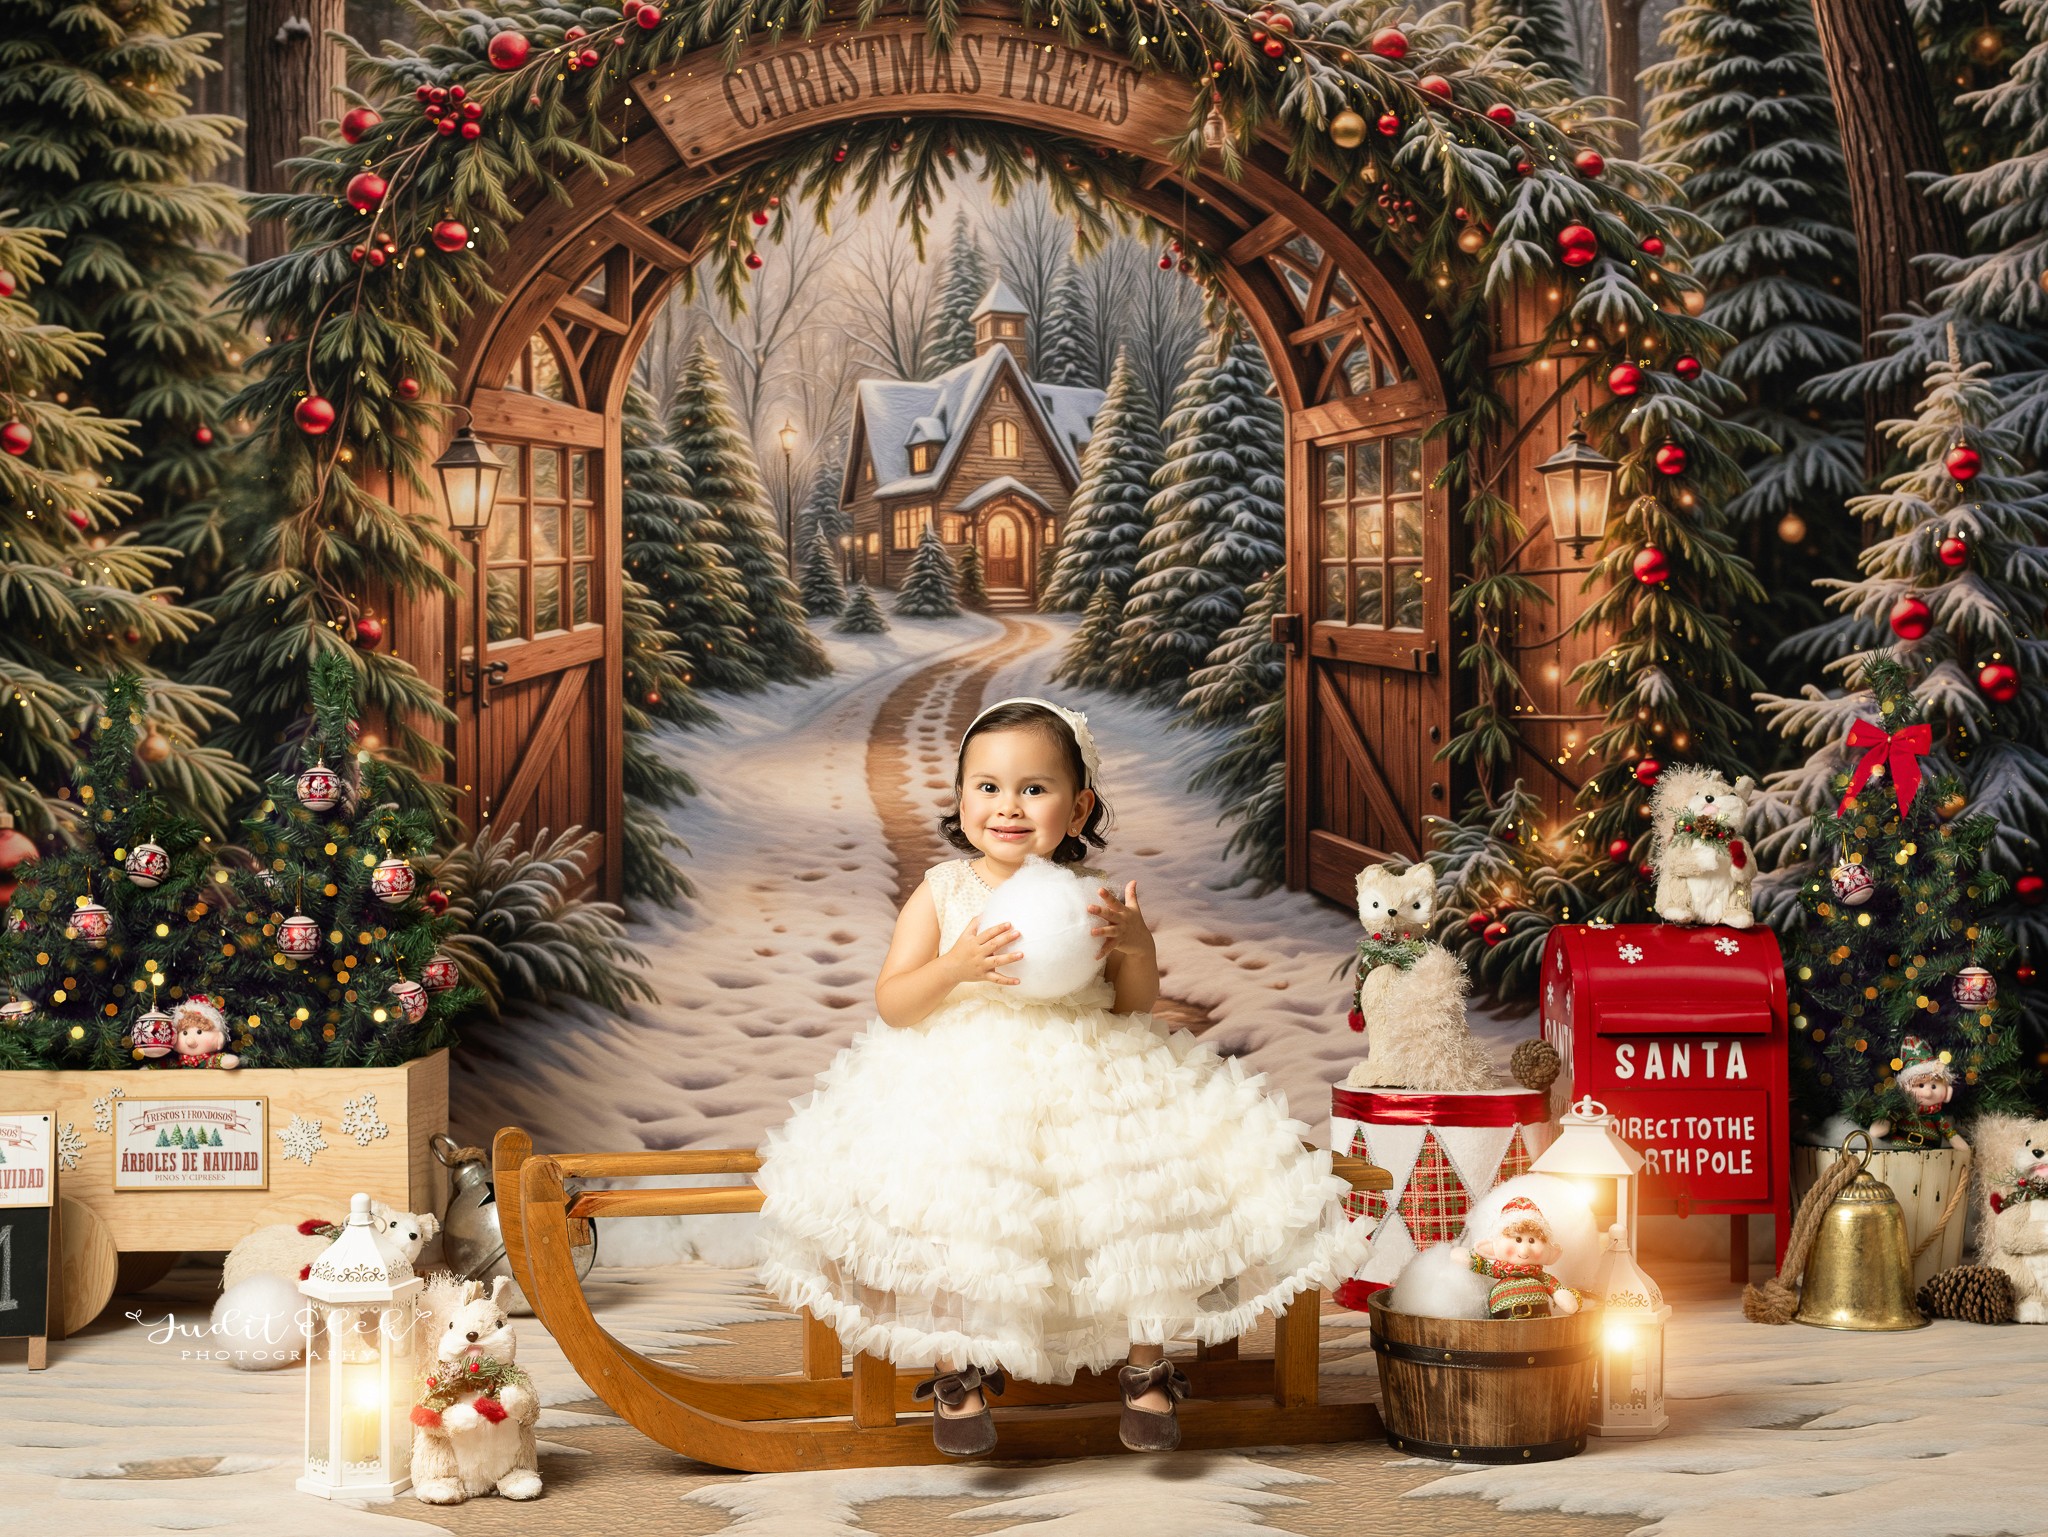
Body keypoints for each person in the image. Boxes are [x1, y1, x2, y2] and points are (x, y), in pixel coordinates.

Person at [754, 696, 1370, 1456]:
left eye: (1033, 788)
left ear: (1077, 806)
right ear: (958, 798)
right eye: (986, 787)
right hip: (965, 1071)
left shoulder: (1094, 895)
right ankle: (960, 1372)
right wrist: (956, 964)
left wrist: (1137, 945)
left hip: (1090, 1064)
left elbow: (1132, 1006)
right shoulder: (946, 890)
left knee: (1135, 1197)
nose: (1007, 807)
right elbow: (895, 1002)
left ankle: (1146, 1369)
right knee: (961, 1202)